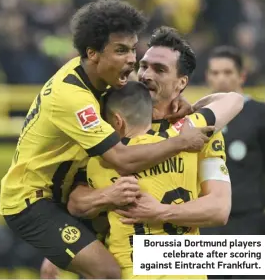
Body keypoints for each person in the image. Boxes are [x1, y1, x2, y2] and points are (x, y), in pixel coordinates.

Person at [0, 0, 211, 279]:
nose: (131, 60)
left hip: (72, 192)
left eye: (133, 50)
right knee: (109, 271)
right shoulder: (71, 96)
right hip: (32, 202)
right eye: (121, 50)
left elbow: (149, 92)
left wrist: (175, 98)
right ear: (93, 53)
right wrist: (181, 142)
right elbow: (121, 160)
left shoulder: (105, 76)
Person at [85, 81, 235, 279]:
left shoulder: (100, 163)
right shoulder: (190, 139)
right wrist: (192, 108)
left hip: (133, 271)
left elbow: (80, 211)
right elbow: (233, 99)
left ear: (117, 121)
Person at [201, 46, 265, 280]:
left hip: (247, 221)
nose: (221, 79)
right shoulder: (197, 117)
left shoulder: (259, 114)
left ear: (242, 76)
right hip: (207, 223)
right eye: (215, 73)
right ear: (207, 76)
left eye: (228, 72)